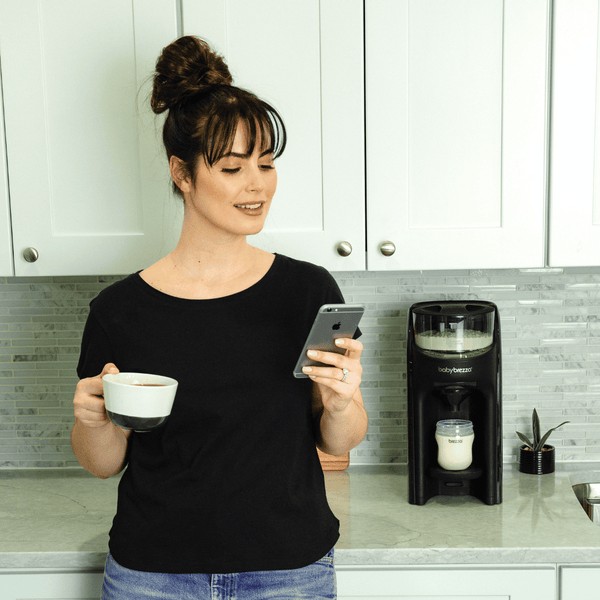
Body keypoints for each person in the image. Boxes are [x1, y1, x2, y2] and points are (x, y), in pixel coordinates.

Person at [71, 35, 368, 600]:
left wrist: (342, 400)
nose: (257, 184)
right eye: (232, 167)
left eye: (266, 163)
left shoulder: (309, 291)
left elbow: (341, 439)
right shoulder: (119, 311)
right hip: (152, 577)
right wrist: (93, 424)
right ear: (182, 174)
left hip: (289, 571)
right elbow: (104, 464)